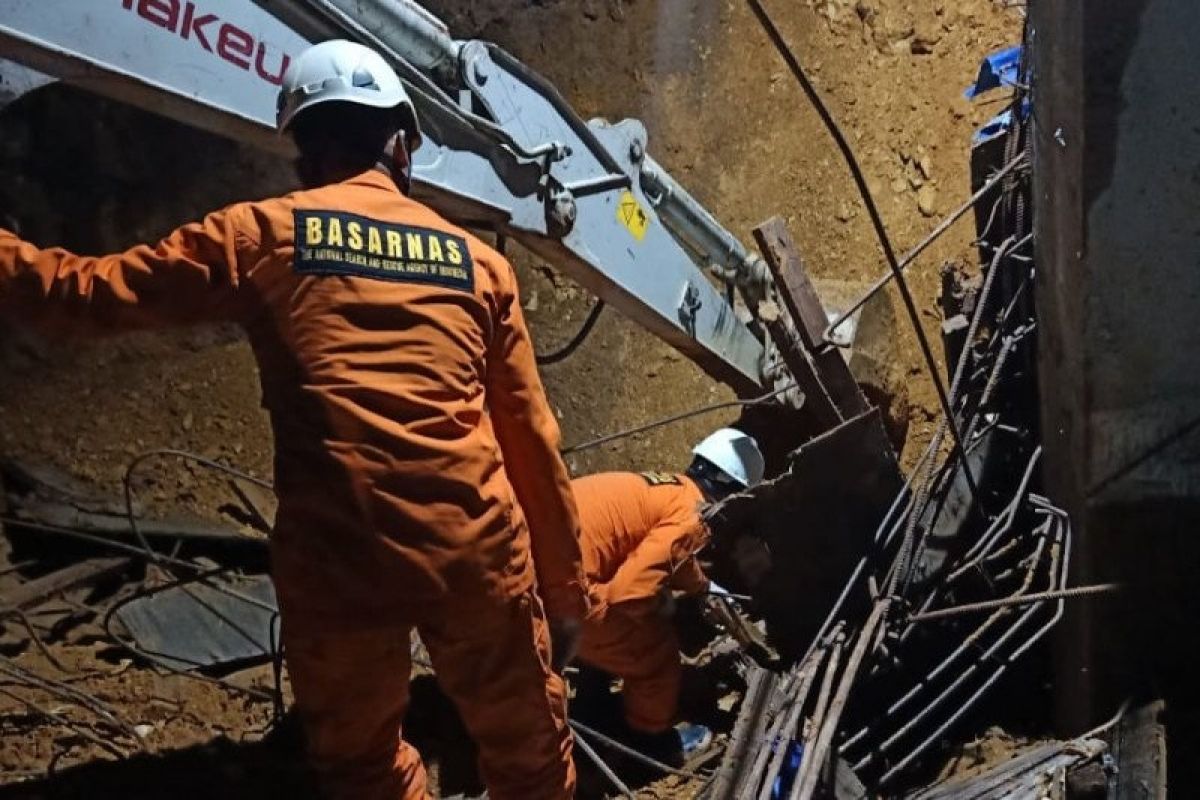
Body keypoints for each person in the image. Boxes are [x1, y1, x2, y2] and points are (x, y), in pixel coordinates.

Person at [0, 41, 586, 800]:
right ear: (402, 143)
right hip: (471, 555)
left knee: (361, 763)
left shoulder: (257, 237)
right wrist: (567, 593)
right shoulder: (481, 266)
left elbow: (83, 297)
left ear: (304, 149)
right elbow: (534, 443)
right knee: (530, 757)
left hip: (337, 560)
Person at [572, 427, 765, 763]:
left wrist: (703, 587)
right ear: (731, 492)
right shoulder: (694, 516)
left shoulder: (664, 488)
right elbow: (627, 595)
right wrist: (658, 609)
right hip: (561, 596)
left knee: (613, 612)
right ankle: (646, 741)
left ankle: (593, 702)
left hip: (527, 568)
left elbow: (667, 554)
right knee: (657, 653)